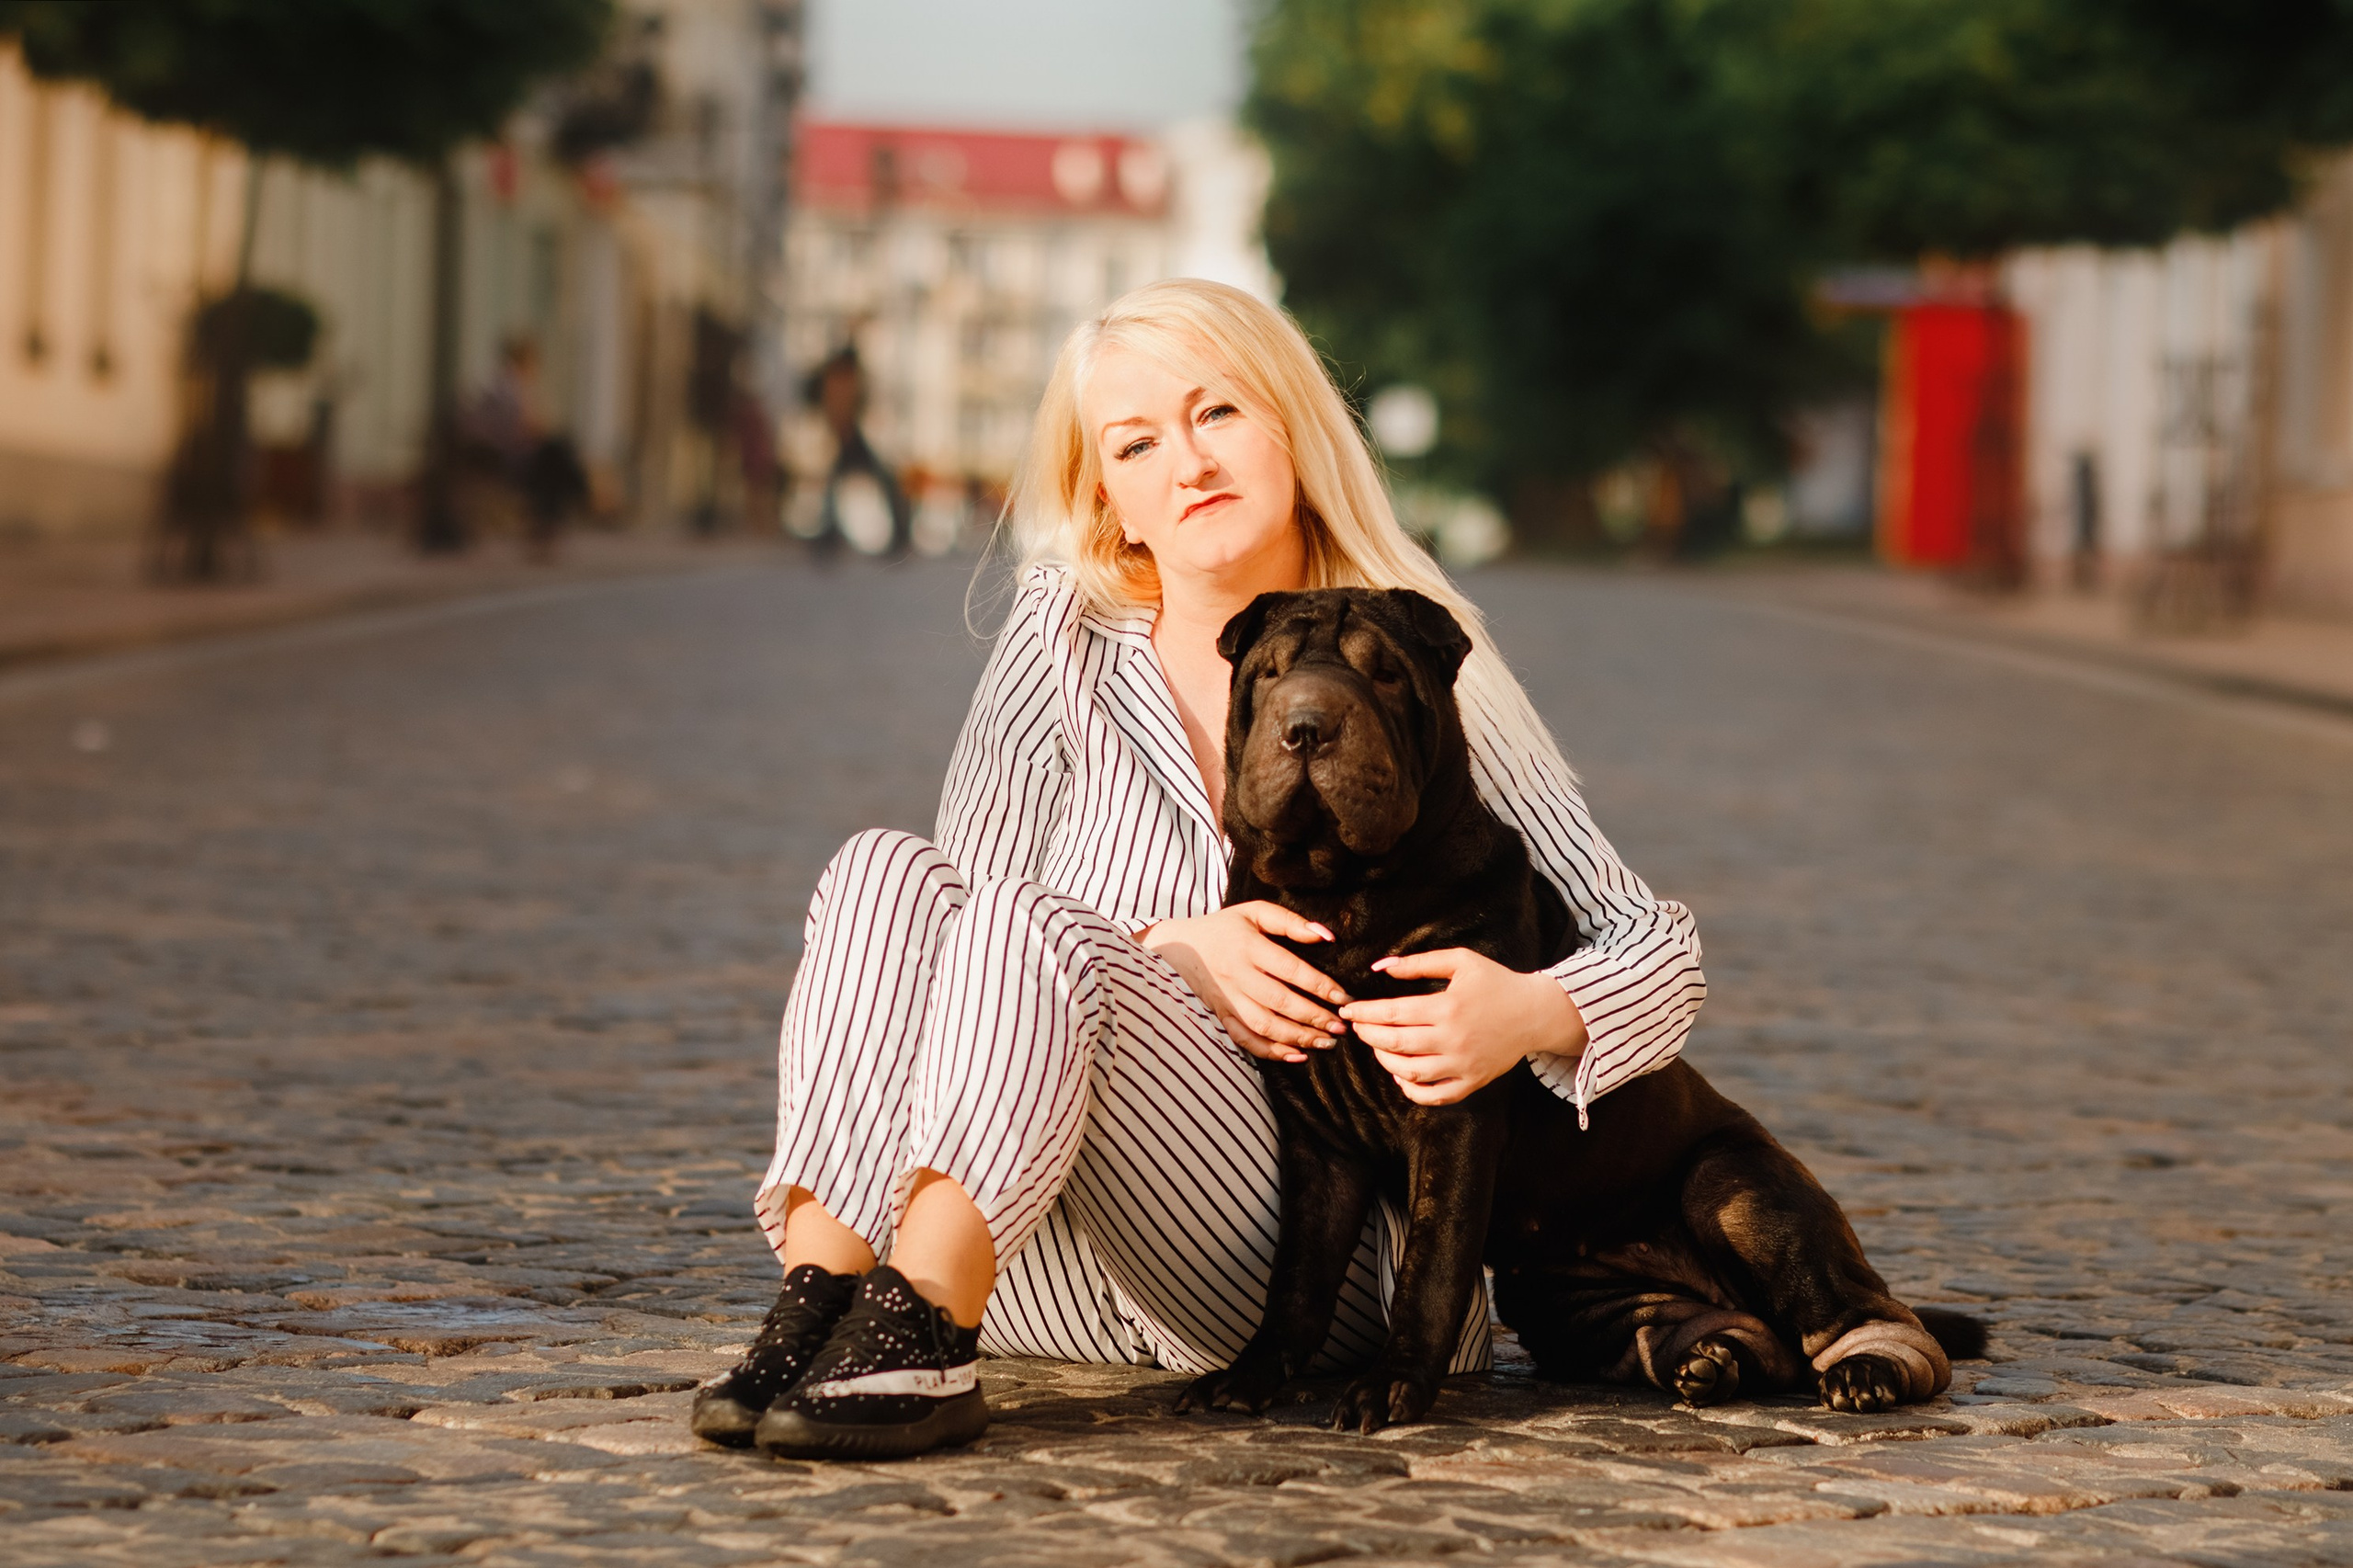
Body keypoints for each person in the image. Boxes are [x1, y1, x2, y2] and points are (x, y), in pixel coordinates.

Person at [692, 279, 1707, 1461]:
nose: (1187, 460)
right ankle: (833, 1301)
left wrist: (1527, 1008)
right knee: (885, 869)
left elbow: (1657, 944)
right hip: (1043, 1270)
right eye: (1136, 441)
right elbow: (958, 923)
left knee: (1036, 918)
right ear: (1107, 495)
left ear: (1289, 425)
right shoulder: (1062, 638)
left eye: (1216, 411)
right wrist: (1179, 951)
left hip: (1304, 1272)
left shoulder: (1408, 653)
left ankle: (912, 1328)